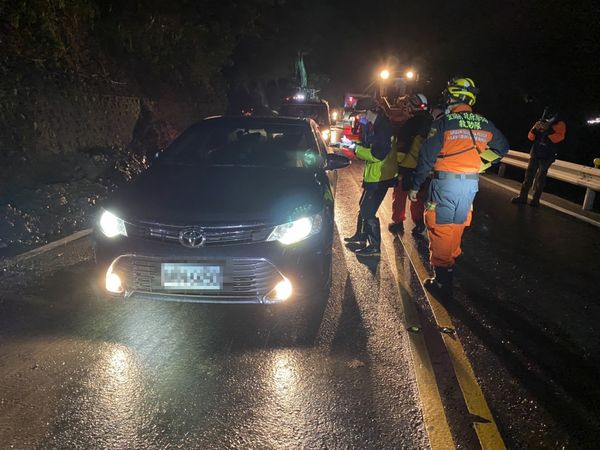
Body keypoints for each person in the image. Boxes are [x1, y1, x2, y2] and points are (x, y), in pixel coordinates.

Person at [408, 77, 509, 298]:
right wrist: (479, 164)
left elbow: (426, 157)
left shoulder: (444, 122)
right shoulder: (484, 122)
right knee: (457, 225)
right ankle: (450, 265)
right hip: (470, 185)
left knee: (440, 227)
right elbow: (502, 148)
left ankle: (443, 281)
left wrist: (415, 186)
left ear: (452, 96)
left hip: (446, 184)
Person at [343, 100, 397, 257]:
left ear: (372, 111)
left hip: (380, 176)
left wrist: (355, 148)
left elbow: (377, 154)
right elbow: (370, 145)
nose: (360, 118)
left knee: (368, 209)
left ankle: (374, 247)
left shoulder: (384, 128)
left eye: (362, 114)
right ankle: (361, 236)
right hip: (375, 174)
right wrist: (354, 144)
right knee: (364, 205)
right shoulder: (377, 125)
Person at [389, 93, 432, 235]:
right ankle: (419, 223)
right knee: (418, 197)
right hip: (424, 168)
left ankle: (398, 222)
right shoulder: (432, 121)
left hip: (407, 166)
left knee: (400, 195)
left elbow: (402, 146)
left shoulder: (410, 124)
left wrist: (398, 166)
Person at [511, 108, 566, 206]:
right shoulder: (541, 122)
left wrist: (548, 129)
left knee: (540, 177)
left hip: (547, 155)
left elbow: (558, 138)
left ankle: (535, 200)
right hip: (536, 152)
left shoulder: (560, 124)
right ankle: (522, 197)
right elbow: (530, 137)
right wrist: (534, 129)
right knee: (528, 175)